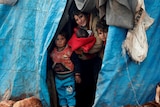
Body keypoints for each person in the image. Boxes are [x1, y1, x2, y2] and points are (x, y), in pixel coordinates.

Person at [68, 9, 103, 107]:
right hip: (82, 61)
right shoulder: (78, 29)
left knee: (94, 84)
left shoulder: (94, 21)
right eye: (76, 19)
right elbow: (74, 44)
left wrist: (83, 50)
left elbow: (98, 43)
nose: (79, 21)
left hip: (94, 59)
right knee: (82, 86)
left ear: (86, 15)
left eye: (81, 17)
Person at [50, 31, 81, 107]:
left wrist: (77, 75)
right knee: (61, 95)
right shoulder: (52, 53)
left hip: (68, 79)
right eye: (57, 39)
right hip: (58, 78)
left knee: (70, 95)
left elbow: (76, 63)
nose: (59, 41)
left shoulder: (69, 51)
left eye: (62, 39)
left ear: (66, 39)